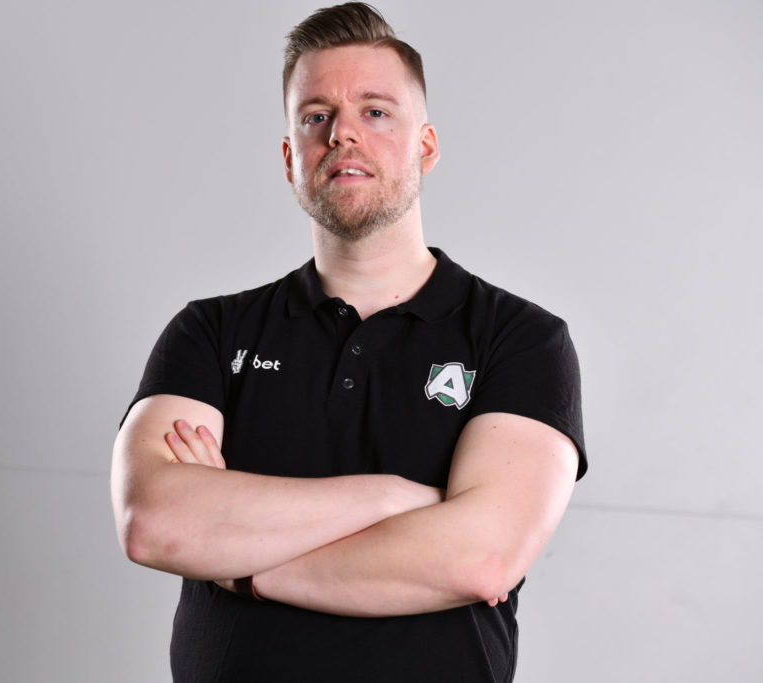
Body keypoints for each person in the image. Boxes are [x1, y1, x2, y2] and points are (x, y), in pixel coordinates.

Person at [110, 3, 587, 681]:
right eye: (316, 116)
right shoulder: (211, 332)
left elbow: (482, 557)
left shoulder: (521, 339)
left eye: (375, 111)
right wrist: (394, 498)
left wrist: (244, 567)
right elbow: (155, 523)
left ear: (425, 146)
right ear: (290, 158)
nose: (342, 134)